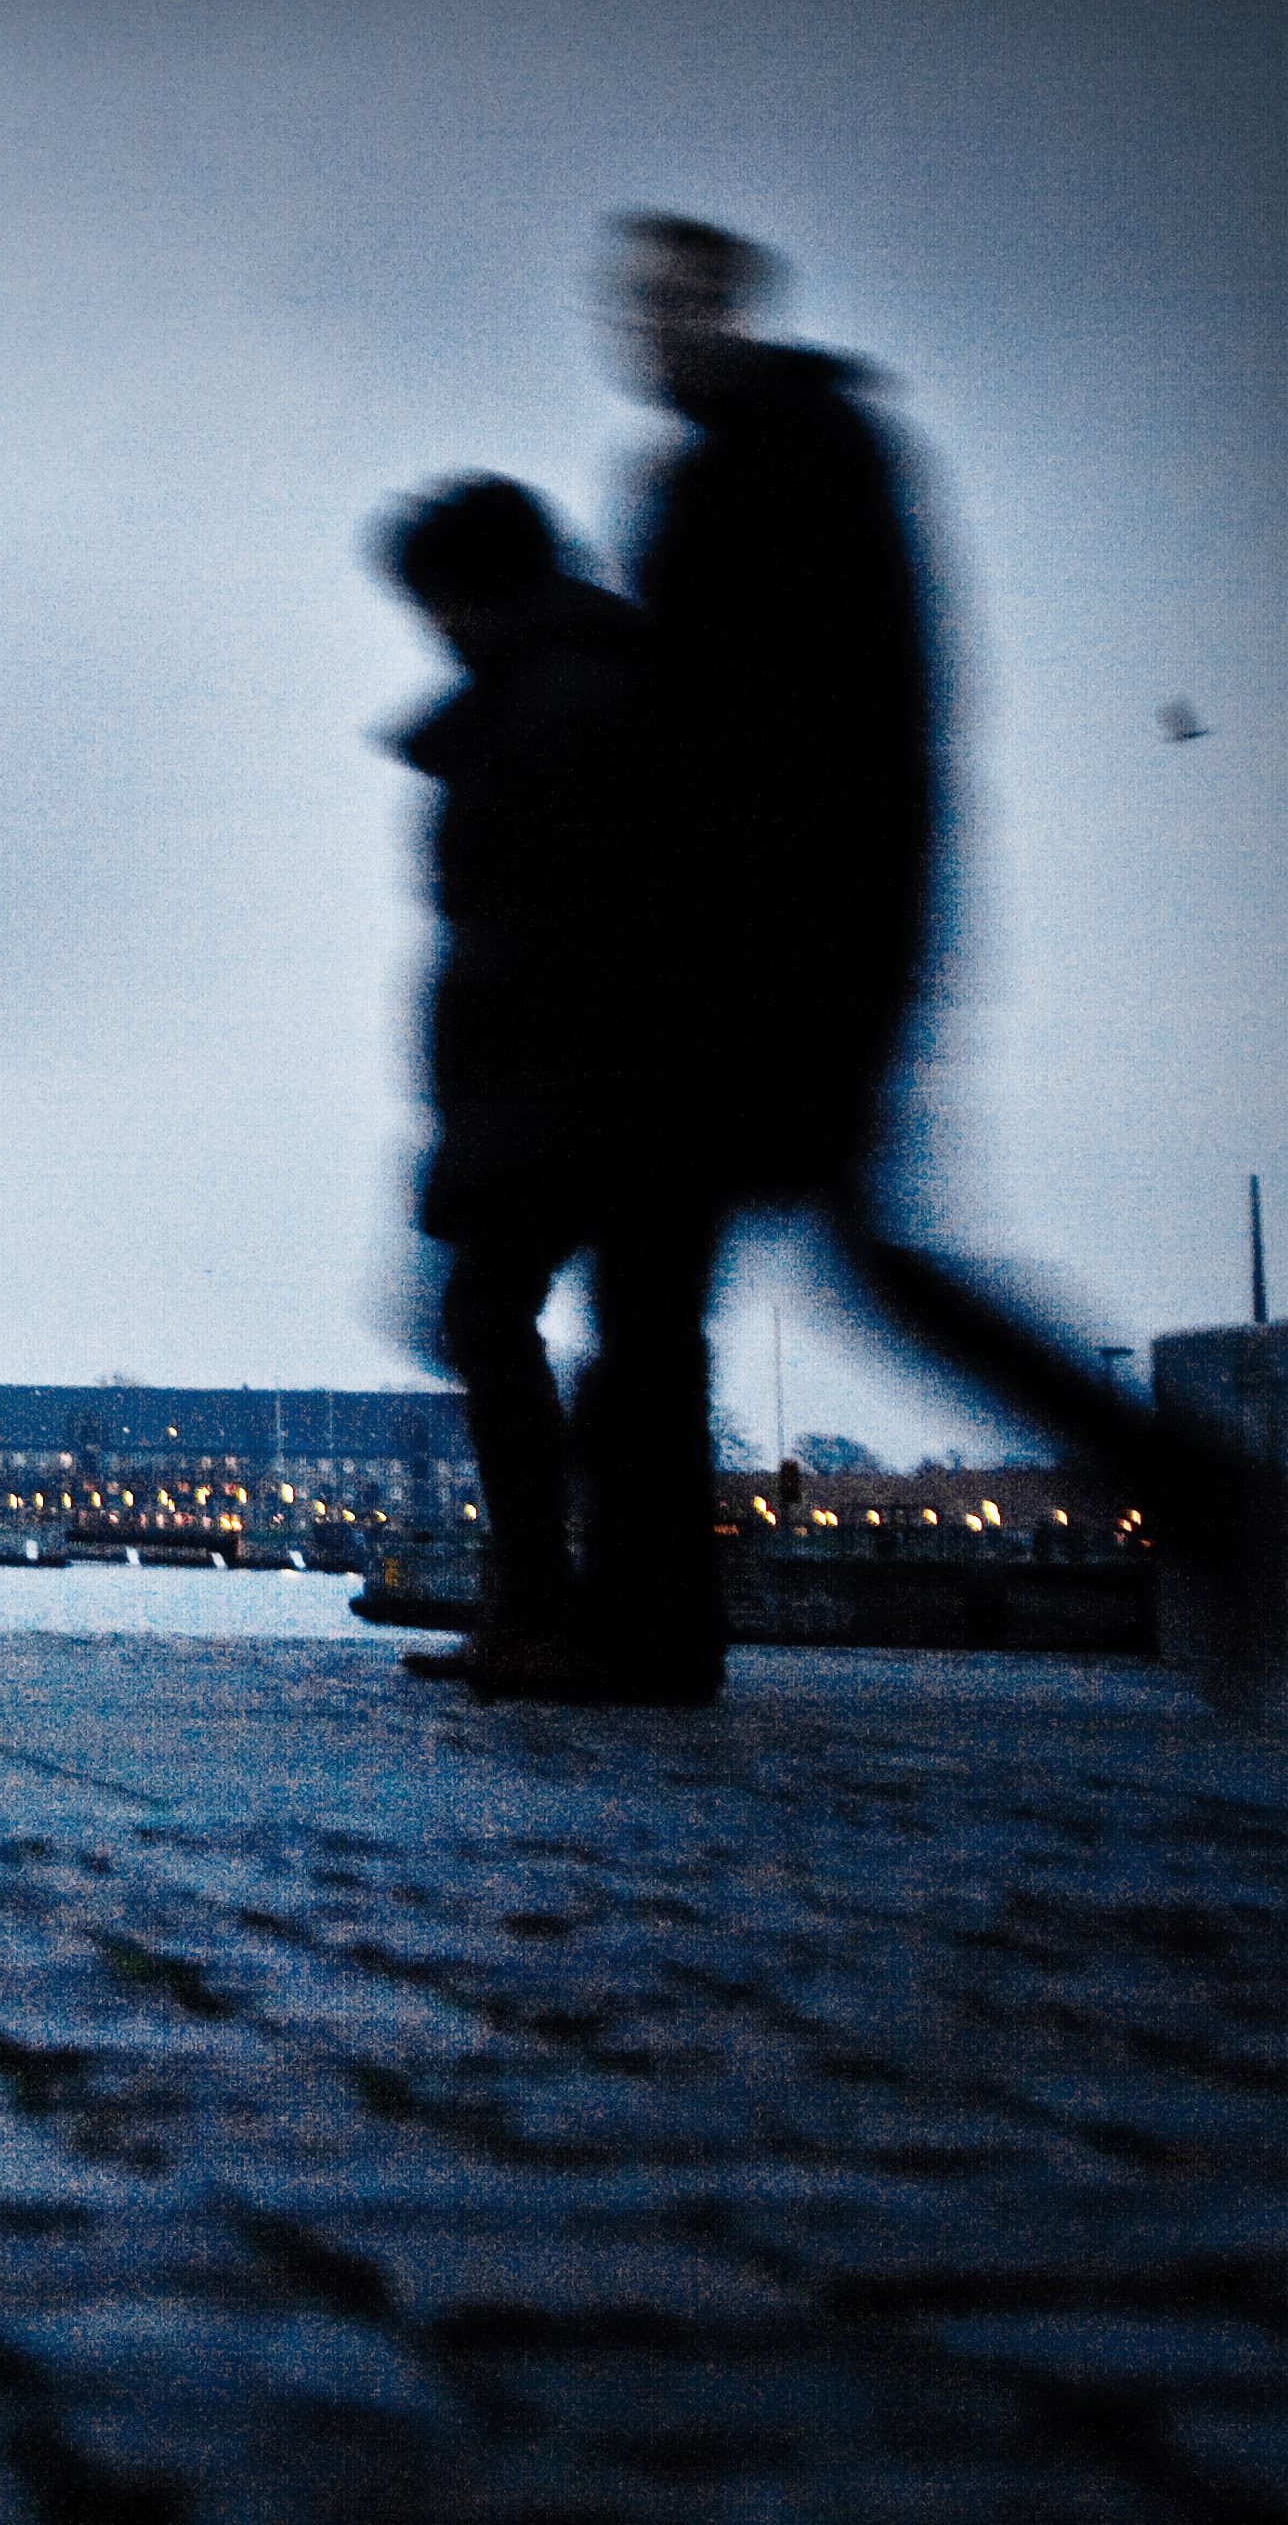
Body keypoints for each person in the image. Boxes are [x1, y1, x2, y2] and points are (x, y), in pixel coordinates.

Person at [469, 213, 1276, 1703]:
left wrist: (779, 945)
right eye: (623, 306)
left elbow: (805, 734)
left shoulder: (779, 457)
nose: (634, 330)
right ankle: (1199, 1496)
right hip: (785, 945)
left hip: (772, 957)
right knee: (782, 1270)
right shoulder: (767, 457)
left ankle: (651, 1628)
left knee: (690, 1282)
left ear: (723, 302)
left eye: (658, 302)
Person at [374, 476, 727, 1701]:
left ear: (473, 590)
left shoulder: (557, 705)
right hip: (613, 1076)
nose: (433, 632)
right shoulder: (579, 686)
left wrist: (486, 1104)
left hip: (571, 1080)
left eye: (433, 605)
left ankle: (548, 1613)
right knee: (634, 1345)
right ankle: (631, 1627)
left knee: (498, 1323)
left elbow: (537, 923)